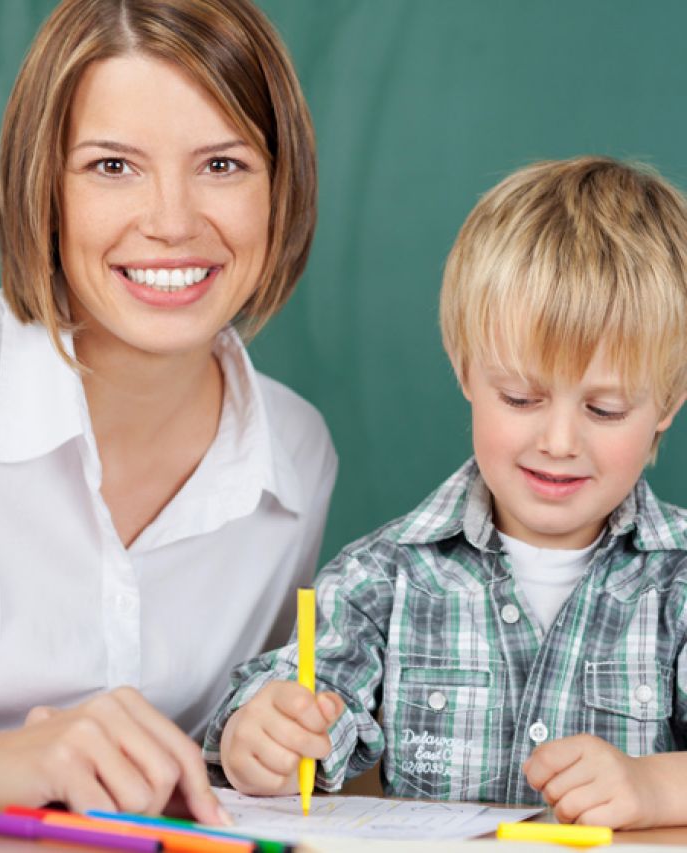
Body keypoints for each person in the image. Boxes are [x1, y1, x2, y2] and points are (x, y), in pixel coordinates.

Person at [0, 0, 336, 823]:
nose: (170, 221)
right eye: (112, 167)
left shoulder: (294, 457)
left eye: (224, 165)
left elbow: (232, 753)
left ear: (283, 189)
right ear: (43, 189)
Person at [205, 156, 687, 829]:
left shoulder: (679, 582)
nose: (557, 440)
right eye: (520, 397)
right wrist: (263, 738)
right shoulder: (386, 577)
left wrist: (655, 786)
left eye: (604, 409)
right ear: (466, 370)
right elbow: (297, 703)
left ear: (667, 401)